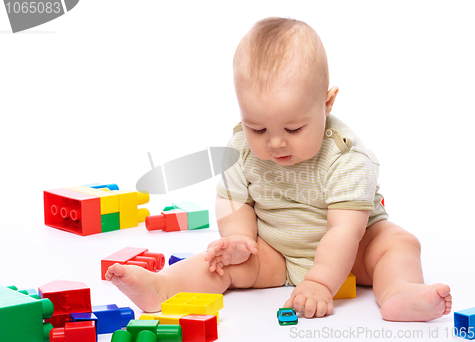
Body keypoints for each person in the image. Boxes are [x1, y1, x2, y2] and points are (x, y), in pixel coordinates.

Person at [106, 17, 452, 322]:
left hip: (354, 251)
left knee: (398, 244)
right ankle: (163, 287)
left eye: (293, 129)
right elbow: (233, 201)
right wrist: (239, 240)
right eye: (258, 129)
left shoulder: (346, 157)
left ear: (327, 103)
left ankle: (398, 293)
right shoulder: (240, 148)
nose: (274, 143)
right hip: (275, 251)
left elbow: (344, 232)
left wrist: (318, 282)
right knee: (221, 262)